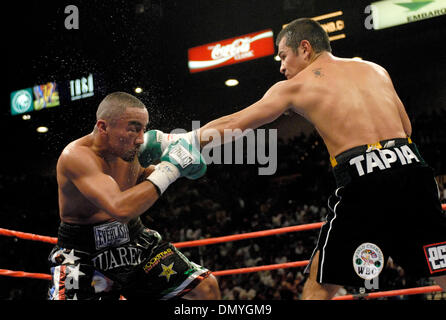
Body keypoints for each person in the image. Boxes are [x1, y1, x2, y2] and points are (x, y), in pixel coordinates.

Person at [141, 18, 446, 299]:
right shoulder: (375, 69)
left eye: (283, 56)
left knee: (321, 280)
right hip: (414, 173)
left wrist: (180, 139)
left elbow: (238, 122)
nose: (281, 67)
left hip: (365, 180)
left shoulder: (297, 85)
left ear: (305, 48)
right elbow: (406, 127)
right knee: (440, 264)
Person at [48, 92, 220, 300]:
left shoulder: (130, 148)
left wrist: (163, 167)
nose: (141, 138)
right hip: (83, 252)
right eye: (134, 129)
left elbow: (142, 178)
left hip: (132, 239)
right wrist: (170, 169)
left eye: (143, 129)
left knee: (206, 288)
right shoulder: (76, 156)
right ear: (103, 127)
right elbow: (121, 209)